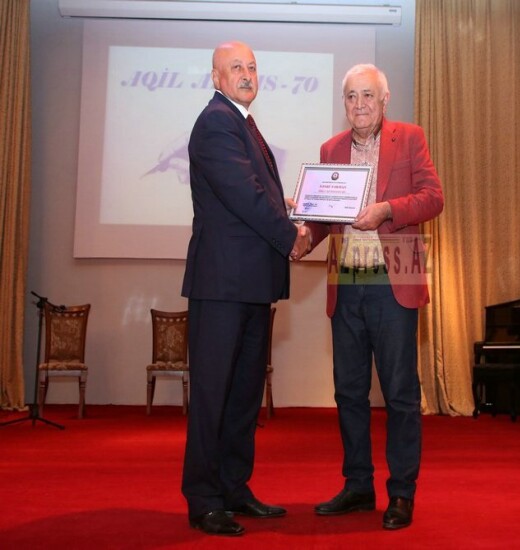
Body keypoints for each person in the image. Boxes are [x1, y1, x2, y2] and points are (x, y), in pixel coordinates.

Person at [302, 64, 444, 530]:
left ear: (385, 100)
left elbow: (433, 198)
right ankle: (358, 486)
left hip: (394, 278)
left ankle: (401, 492)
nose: (359, 104)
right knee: (348, 391)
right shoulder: (330, 149)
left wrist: (387, 209)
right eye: (351, 96)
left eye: (367, 95)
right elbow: (323, 215)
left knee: (400, 392)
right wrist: (303, 236)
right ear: (343, 103)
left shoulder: (411, 138)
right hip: (346, 282)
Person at [181, 40, 309, 537]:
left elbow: (256, 195)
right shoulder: (217, 122)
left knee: (242, 396)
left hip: (251, 285)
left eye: (252, 67)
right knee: (213, 395)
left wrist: (288, 206)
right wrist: (290, 234)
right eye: (235, 67)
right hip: (223, 286)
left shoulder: (243, 123)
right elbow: (243, 195)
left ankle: (234, 488)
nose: (246, 74)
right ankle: (204, 499)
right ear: (216, 77)